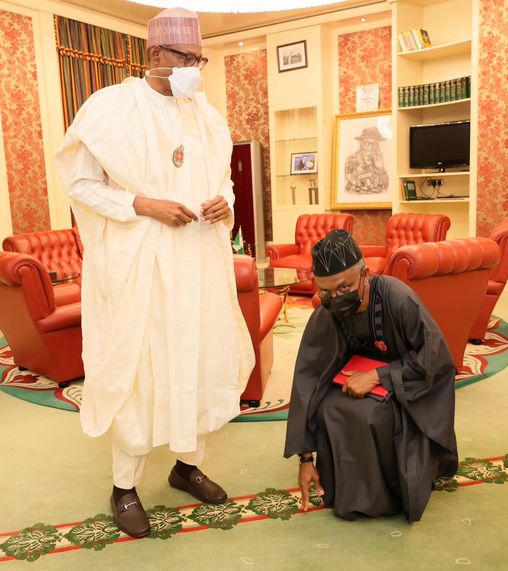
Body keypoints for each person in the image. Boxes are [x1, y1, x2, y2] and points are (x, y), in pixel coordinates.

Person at [55, 7, 254, 538]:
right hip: (138, 265)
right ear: (155, 55)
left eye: (200, 57)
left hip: (196, 264)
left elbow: (225, 182)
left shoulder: (206, 115)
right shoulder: (111, 107)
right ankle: (125, 486)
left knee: (197, 361)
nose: (195, 66)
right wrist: (144, 204)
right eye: (185, 57)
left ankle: (186, 465)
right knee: (139, 371)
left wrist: (222, 203)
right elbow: (80, 184)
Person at [284, 229, 458, 523]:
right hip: (355, 380)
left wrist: (381, 375)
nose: (334, 298)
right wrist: (305, 458)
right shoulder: (328, 311)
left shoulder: (399, 299)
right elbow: (307, 380)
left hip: (407, 387)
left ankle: (387, 495)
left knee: (370, 415)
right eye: (324, 291)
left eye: (342, 289)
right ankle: (345, 489)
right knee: (330, 406)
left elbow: (437, 359)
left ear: (364, 274)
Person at [344, 126, 389, 194]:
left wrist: (380, 169)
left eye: (374, 144)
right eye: (366, 143)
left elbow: (386, 187)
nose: (370, 147)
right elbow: (348, 186)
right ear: (361, 143)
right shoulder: (351, 160)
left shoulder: (377, 160)